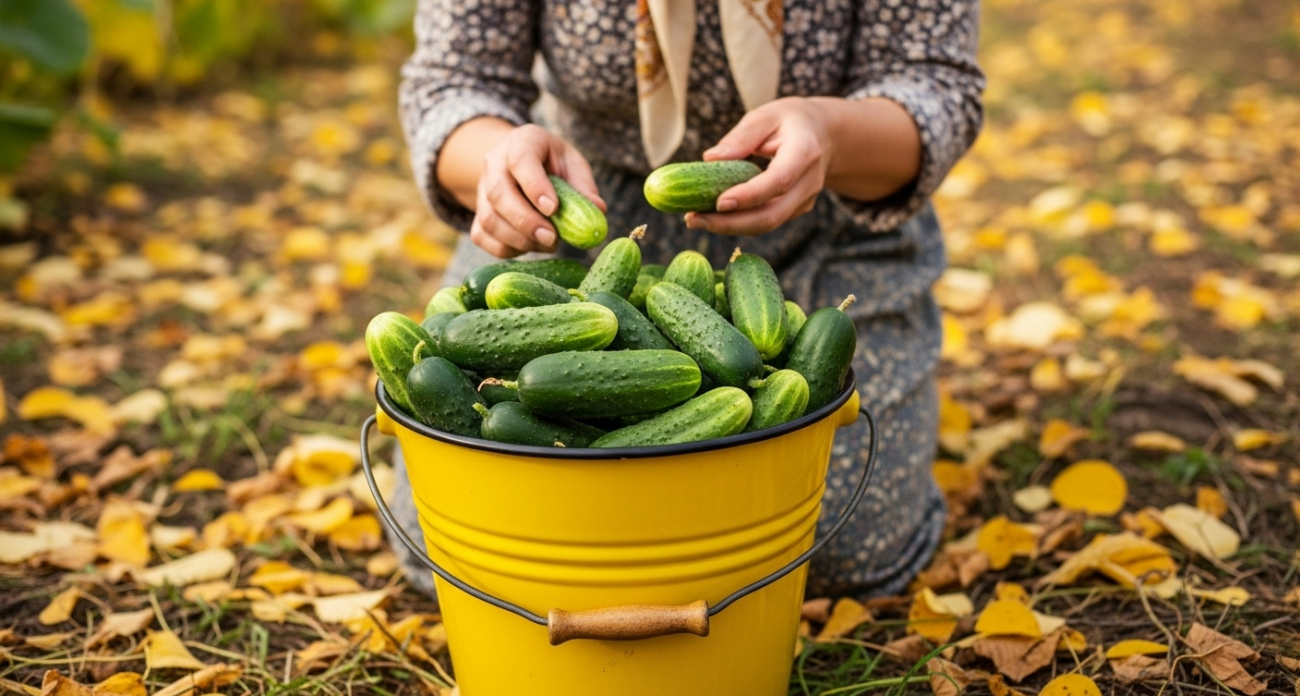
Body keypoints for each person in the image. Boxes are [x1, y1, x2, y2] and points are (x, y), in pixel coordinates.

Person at [388, 0, 984, 599]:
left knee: (844, 555)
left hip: (832, 210)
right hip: (573, 215)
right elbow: (453, 81)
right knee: (454, 557)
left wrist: (829, 135)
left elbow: (935, 86)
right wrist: (499, 167)